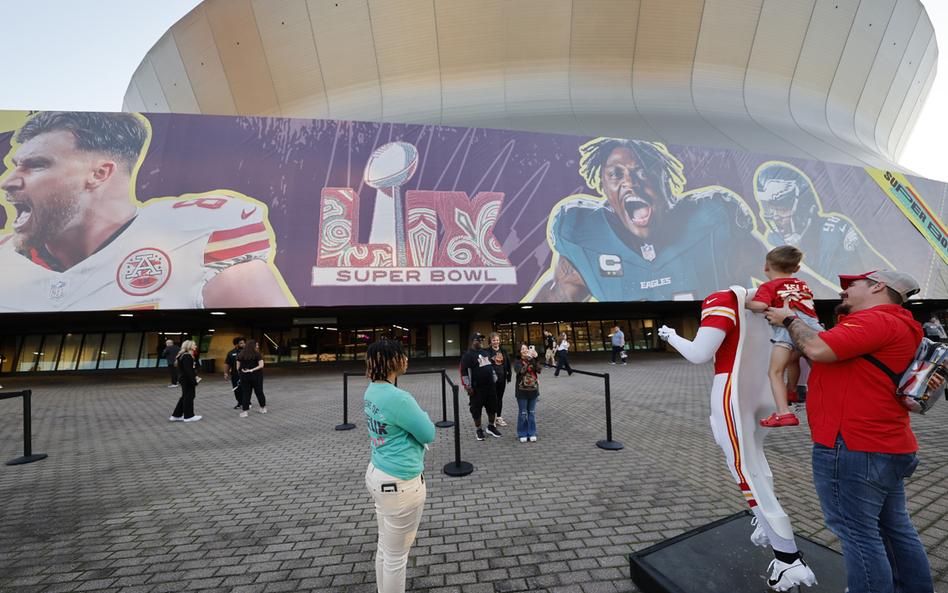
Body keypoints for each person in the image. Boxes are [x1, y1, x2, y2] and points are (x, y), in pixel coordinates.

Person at [0, 111, 295, 312]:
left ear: (100, 173)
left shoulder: (200, 236)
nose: (8, 181)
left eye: (36, 164)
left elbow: (267, 335)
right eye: (15, 164)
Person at [764, 269, 933, 593]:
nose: (842, 292)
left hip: (853, 446)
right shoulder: (897, 323)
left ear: (878, 287)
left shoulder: (875, 320)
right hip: (883, 444)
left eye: (850, 286)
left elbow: (816, 349)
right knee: (895, 529)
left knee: (858, 534)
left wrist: (789, 318)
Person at [658, 292, 817, 591]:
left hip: (734, 390)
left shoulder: (724, 297)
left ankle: (788, 558)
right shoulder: (778, 302)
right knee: (754, 459)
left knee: (746, 469)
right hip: (768, 388)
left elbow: (698, 353)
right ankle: (767, 528)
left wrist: (672, 336)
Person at [526, 137, 765, 302]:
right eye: (616, 174)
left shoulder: (714, 219)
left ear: (665, 180)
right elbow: (553, 297)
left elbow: (788, 280)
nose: (630, 183)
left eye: (642, 172)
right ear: (604, 187)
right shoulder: (581, 233)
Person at [363, 339, 435, 593]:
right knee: (396, 558)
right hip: (401, 483)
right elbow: (428, 433)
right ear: (393, 361)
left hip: (377, 475)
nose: (407, 360)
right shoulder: (400, 398)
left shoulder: (371, 389)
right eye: (403, 356)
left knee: (386, 547)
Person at [754, 162, 892, 293]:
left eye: (782, 210)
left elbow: (850, 287)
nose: (776, 218)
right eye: (772, 210)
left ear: (804, 208)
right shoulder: (773, 238)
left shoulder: (837, 230)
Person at [745, 246, 823, 427]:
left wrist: (741, 302)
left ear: (766, 267)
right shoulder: (803, 285)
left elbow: (760, 304)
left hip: (788, 329)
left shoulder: (769, 285)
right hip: (812, 328)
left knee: (775, 371)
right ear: (796, 269)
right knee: (813, 367)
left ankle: (783, 413)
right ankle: (792, 391)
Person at [459, 332, 501, 441]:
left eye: (482, 340)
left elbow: (490, 367)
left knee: (492, 407)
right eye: (478, 340)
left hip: (490, 386)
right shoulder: (468, 355)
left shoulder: (486, 352)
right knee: (476, 409)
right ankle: (479, 429)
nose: (481, 342)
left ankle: (491, 427)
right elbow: (463, 372)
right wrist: (468, 387)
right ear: (473, 342)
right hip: (477, 388)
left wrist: (494, 378)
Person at [513, 343, 541, 442]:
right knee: (522, 413)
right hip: (522, 391)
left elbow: (539, 370)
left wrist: (536, 358)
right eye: (523, 349)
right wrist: (528, 359)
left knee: (532, 412)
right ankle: (522, 433)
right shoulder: (517, 362)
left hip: (533, 390)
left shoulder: (532, 360)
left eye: (526, 348)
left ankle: (531, 432)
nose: (525, 350)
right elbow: (521, 372)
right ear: (519, 352)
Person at [169, 340, 201, 422]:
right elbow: (188, 370)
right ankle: (189, 415)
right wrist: (193, 381)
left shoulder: (182, 355)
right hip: (186, 379)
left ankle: (176, 415)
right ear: (189, 346)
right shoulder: (187, 356)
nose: (195, 347)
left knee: (185, 396)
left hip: (183, 378)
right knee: (189, 396)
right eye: (194, 345)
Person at [486, 332, 511, 427]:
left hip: (502, 377)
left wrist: (509, 376)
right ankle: (491, 419)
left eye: (497, 340)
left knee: (500, 398)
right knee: (493, 398)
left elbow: (508, 363)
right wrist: (491, 359)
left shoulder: (503, 350)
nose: (496, 342)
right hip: (492, 378)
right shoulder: (487, 351)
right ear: (490, 342)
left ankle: (499, 417)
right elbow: (485, 362)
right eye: (494, 340)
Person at [236, 340, 267, 417]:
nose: (258, 347)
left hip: (244, 376)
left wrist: (243, 370)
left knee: (246, 393)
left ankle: (244, 411)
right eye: (257, 345)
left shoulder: (240, 355)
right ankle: (263, 407)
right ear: (253, 347)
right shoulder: (257, 355)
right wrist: (251, 370)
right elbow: (261, 365)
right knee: (259, 391)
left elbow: (237, 367)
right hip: (256, 375)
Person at [223, 337, 246, 409]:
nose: (243, 345)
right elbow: (227, 364)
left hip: (245, 373)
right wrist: (226, 373)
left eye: (244, 343)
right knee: (237, 389)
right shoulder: (231, 353)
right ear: (236, 344)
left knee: (245, 388)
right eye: (241, 343)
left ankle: (246, 402)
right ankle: (239, 402)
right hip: (235, 374)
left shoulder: (247, 352)